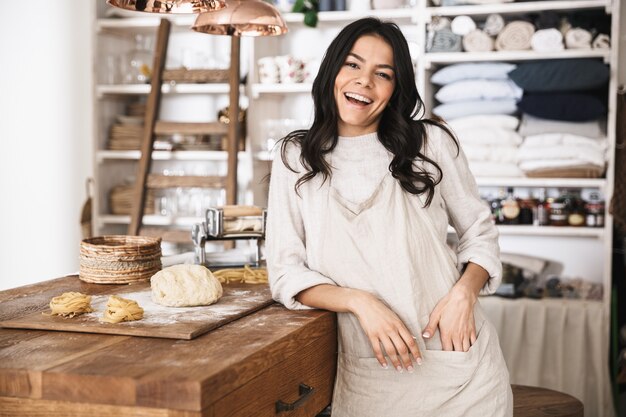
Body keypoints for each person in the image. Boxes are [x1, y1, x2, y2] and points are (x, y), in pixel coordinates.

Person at [265, 17, 512, 416]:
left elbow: (480, 232)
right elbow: (285, 272)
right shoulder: (294, 157)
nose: (364, 81)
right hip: (372, 374)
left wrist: (464, 294)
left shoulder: (430, 142)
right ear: (332, 71)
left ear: (395, 89)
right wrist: (360, 302)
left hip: (458, 366)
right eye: (353, 65)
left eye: (383, 74)